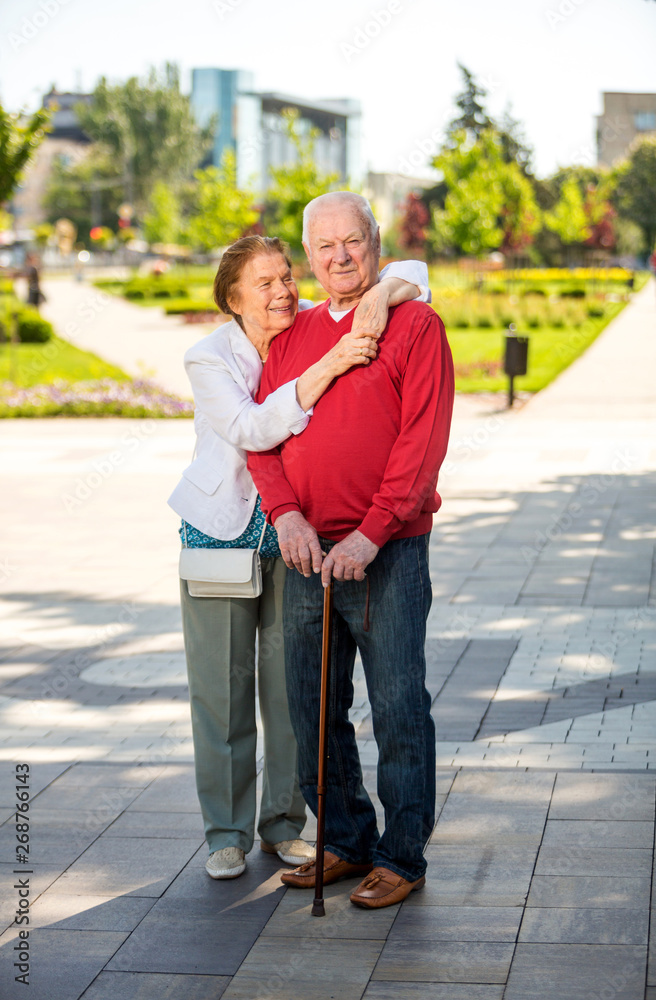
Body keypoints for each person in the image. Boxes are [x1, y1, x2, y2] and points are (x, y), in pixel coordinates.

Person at [168, 234, 430, 880]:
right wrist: (337, 361)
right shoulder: (209, 357)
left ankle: (284, 823)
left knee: (293, 694)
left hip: (299, 543)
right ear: (232, 299)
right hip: (226, 533)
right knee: (222, 693)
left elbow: (410, 273)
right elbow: (256, 428)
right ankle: (224, 833)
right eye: (265, 283)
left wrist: (382, 297)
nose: (284, 290)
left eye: (287, 276)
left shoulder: (308, 323)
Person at [247, 193, 454, 909]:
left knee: (397, 705)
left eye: (353, 241)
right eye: (325, 245)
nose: (340, 256)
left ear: (375, 243)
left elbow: (420, 445)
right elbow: (261, 436)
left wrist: (372, 532)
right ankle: (341, 840)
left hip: (388, 553)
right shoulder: (291, 336)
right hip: (307, 554)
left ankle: (402, 854)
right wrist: (285, 517)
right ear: (309, 257)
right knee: (313, 707)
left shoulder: (414, 324)